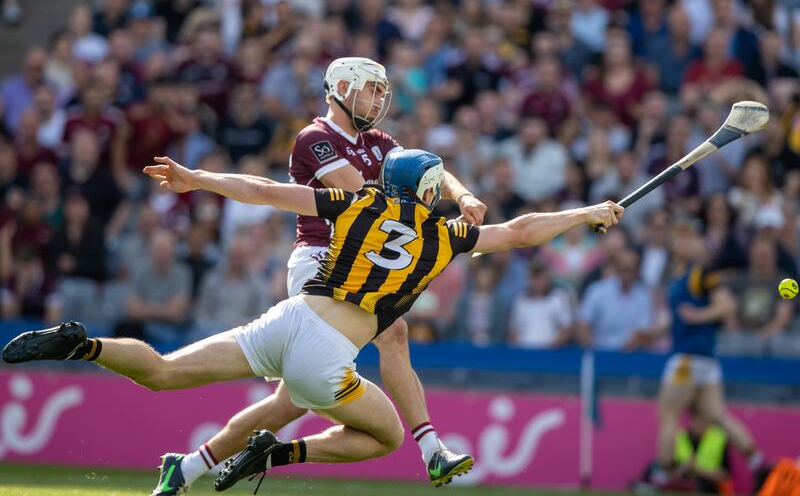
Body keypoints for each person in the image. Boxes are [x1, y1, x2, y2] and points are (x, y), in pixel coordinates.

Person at [2, 149, 625, 496]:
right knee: (385, 438)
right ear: (431, 190)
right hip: (328, 357)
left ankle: (83, 344)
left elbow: (267, 191)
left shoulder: (359, 201)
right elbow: (521, 232)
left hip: (288, 317)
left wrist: (196, 179)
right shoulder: (447, 237)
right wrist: (588, 213)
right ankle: (278, 453)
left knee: (164, 372)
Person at [191, 56, 489, 488]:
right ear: (342, 88)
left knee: (288, 405)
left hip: (362, 260)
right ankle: (431, 449)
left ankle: (185, 468)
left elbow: (430, 172)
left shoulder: (379, 140)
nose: (378, 99)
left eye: (382, 92)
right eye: (371, 89)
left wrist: (463, 196)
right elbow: (363, 193)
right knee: (394, 333)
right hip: (321, 258)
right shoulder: (316, 138)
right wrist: (418, 202)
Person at [648, 220, 764, 489]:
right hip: (706, 362)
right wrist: (651, 334)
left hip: (688, 358)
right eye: (678, 238)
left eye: (688, 238)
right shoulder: (679, 277)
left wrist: (697, 315)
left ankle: (661, 475)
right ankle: (757, 461)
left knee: (668, 414)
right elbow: (677, 321)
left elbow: (726, 305)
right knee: (717, 414)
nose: (682, 243)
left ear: (699, 243)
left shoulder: (703, 273)